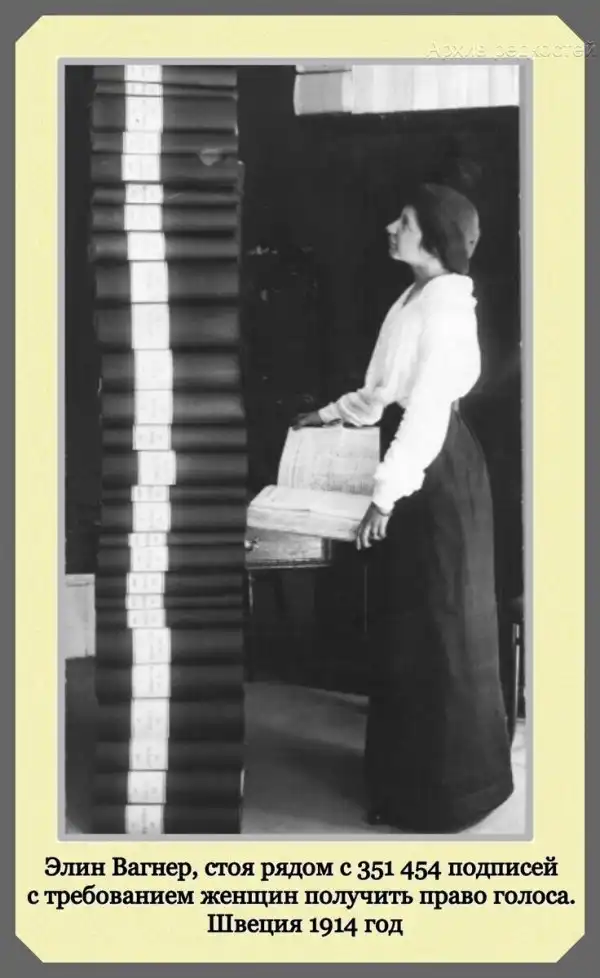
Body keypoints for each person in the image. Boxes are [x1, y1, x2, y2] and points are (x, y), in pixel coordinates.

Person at [293, 182, 514, 833]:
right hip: (417, 464)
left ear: (436, 240)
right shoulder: (413, 297)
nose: (391, 227)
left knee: (441, 629)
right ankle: (401, 785)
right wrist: (329, 414)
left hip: (437, 473)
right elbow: (384, 389)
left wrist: (384, 496)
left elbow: (425, 413)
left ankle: (448, 796)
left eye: (406, 222)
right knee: (408, 630)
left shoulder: (445, 311)